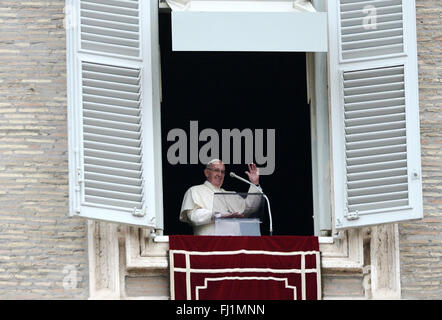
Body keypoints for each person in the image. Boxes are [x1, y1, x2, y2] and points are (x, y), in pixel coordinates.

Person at [180, 159, 263, 235]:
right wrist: (220, 215)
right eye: (216, 170)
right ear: (207, 173)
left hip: (234, 245)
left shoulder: (230, 194)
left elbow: (249, 208)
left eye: (222, 172)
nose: (220, 174)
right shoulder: (195, 190)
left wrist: (255, 183)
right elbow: (194, 216)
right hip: (210, 246)